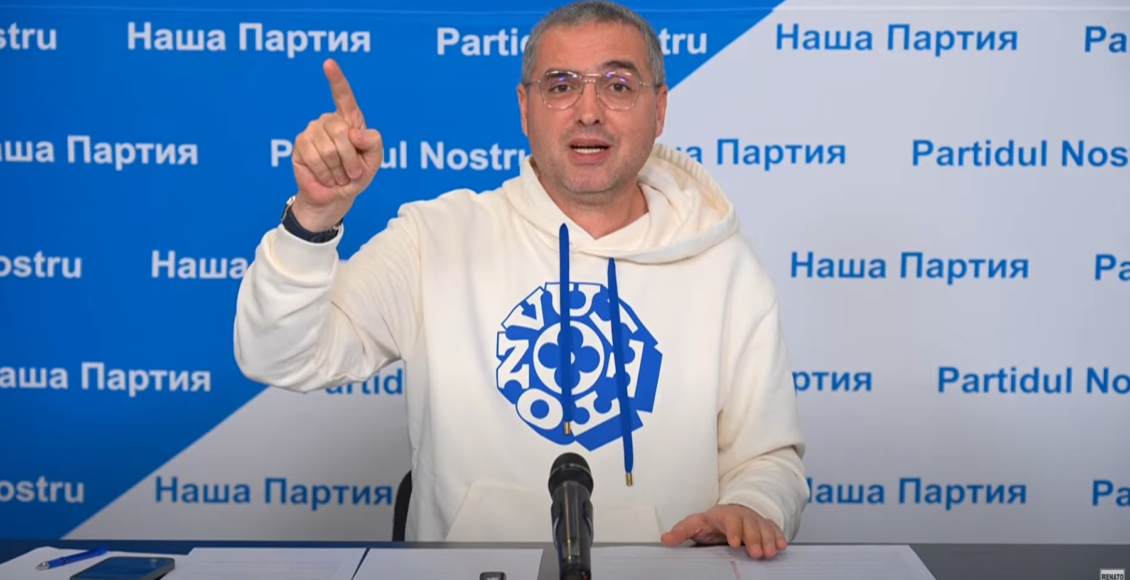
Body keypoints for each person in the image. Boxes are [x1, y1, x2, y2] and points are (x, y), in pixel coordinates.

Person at [233, 0, 808, 560]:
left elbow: (768, 458)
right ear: (525, 107)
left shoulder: (724, 265)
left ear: (658, 110)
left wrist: (753, 504)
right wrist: (314, 216)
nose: (589, 111)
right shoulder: (435, 238)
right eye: (560, 85)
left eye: (617, 85)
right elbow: (279, 357)